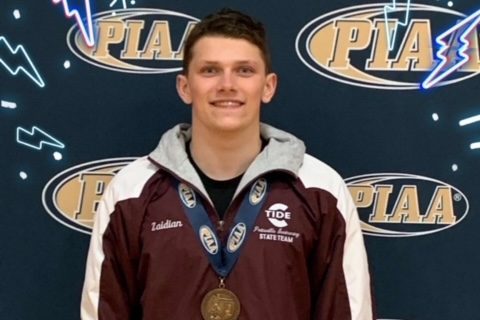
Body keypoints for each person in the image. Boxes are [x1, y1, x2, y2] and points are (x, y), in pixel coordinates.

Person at [81, 8, 375, 320]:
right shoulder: (131, 192)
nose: (227, 84)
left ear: (268, 86)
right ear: (184, 87)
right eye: (210, 70)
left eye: (244, 71)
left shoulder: (321, 190)